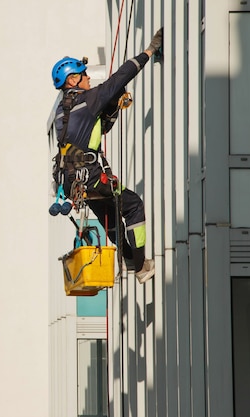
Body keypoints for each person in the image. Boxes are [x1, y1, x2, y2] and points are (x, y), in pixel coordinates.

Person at [51, 28, 163, 284]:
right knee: (133, 205)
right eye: (83, 75)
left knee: (110, 216)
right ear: (72, 82)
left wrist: (111, 107)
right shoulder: (89, 100)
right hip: (89, 176)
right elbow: (121, 76)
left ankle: (130, 260)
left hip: (70, 183)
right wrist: (149, 51)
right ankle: (140, 264)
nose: (88, 77)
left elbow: (93, 130)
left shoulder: (62, 112)